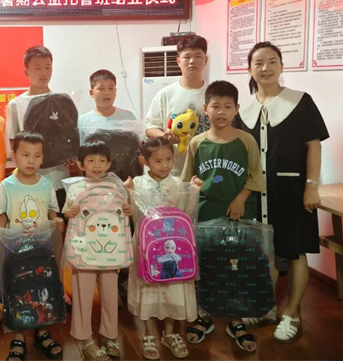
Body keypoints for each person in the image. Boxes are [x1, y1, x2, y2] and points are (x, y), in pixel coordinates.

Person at [235, 42, 329, 342]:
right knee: (266, 251)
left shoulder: (300, 101)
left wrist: (312, 186)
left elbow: (313, 145)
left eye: (272, 61)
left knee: (294, 250)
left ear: (281, 66)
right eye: (259, 63)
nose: (266, 68)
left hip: (292, 190)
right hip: (257, 192)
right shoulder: (243, 109)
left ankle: (292, 313)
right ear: (249, 69)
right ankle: (266, 308)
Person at [181, 81, 265, 352]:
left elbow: (255, 178)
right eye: (215, 106)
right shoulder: (197, 142)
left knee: (236, 266)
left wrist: (240, 199)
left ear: (236, 109)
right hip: (206, 214)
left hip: (238, 213)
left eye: (228, 106)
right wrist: (194, 185)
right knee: (206, 265)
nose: (221, 111)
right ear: (205, 109)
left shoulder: (246, 141)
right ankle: (205, 315)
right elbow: (188, 180)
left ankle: (235, 320)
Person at [0, 132, 65, 361]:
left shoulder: (46, 185)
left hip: (42, 248)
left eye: (37, 155)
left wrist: (56, 221)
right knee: (17, 291)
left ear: (42, 158)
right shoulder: (7, 185)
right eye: (25, 155)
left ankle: (42, 332)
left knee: (43, 288)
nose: (31, 161)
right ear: (14, 156)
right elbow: (2, 214)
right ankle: (18, 337)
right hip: (15, 250)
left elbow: (52, 211)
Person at [126, 138, 199, 359]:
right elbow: (135, 217)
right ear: (144, 160)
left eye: (169, 159)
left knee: (173, 285)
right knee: (148, 285)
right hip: (146, 247)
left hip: (173, 245)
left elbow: (185, 215)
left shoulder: (177, 184)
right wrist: (128, 193)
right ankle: (149, 333)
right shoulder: (137, 183)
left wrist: (194, 191)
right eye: (158, 161)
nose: (165, 165)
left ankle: (170, 333)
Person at [63, 141, 132, 361]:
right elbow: (67, 212)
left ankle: (110, 335)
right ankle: (85, 339)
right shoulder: (76, 187)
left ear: (109, 163)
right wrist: (68, 212)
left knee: (110, 295)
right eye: (91, 160)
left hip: (110, 251)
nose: (97, 165)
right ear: (80, 164)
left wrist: (129, 209)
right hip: (84, 250)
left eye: (102, 160)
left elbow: (125, 211)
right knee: (83, 294)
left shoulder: (115, 185)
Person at [5, 46, 69, 212]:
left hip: (59, 178)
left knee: (58, 224)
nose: (43, 73)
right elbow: (13, 143)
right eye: (37, 68)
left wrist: (70, 153)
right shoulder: (16, 104)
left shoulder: (62, 102)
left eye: (48, 67)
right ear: (26, 71)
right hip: (29, 183)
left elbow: (69, 137)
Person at [145, 35, 211, 176]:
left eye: (198, 56)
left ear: (205, 60)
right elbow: (150, 128)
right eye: (187, 57)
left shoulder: (213, 94)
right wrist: (164, 136)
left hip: (207, 168)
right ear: (178, 61)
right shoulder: (165, 94)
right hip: (173, 171)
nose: (192, 61)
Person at [78, 69, 136, 143]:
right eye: (101, 89)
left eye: (111, 88)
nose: (107, 92)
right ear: (92, 93)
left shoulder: (129, 117)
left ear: (115, 91)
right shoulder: (83, 121)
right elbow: (80, 148)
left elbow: (138, 144)